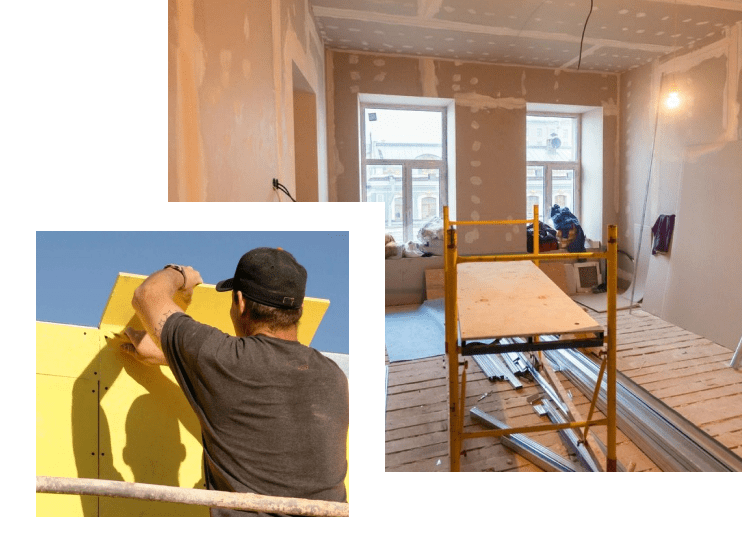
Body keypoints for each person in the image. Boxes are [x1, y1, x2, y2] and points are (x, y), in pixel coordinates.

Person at [121, 247, 349, 516]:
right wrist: (171, 357)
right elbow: (267, 399)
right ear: (298, 308)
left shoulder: (223, 358)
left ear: (240, 302)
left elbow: (147, 295)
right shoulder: (334, 376)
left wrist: (181, 275)